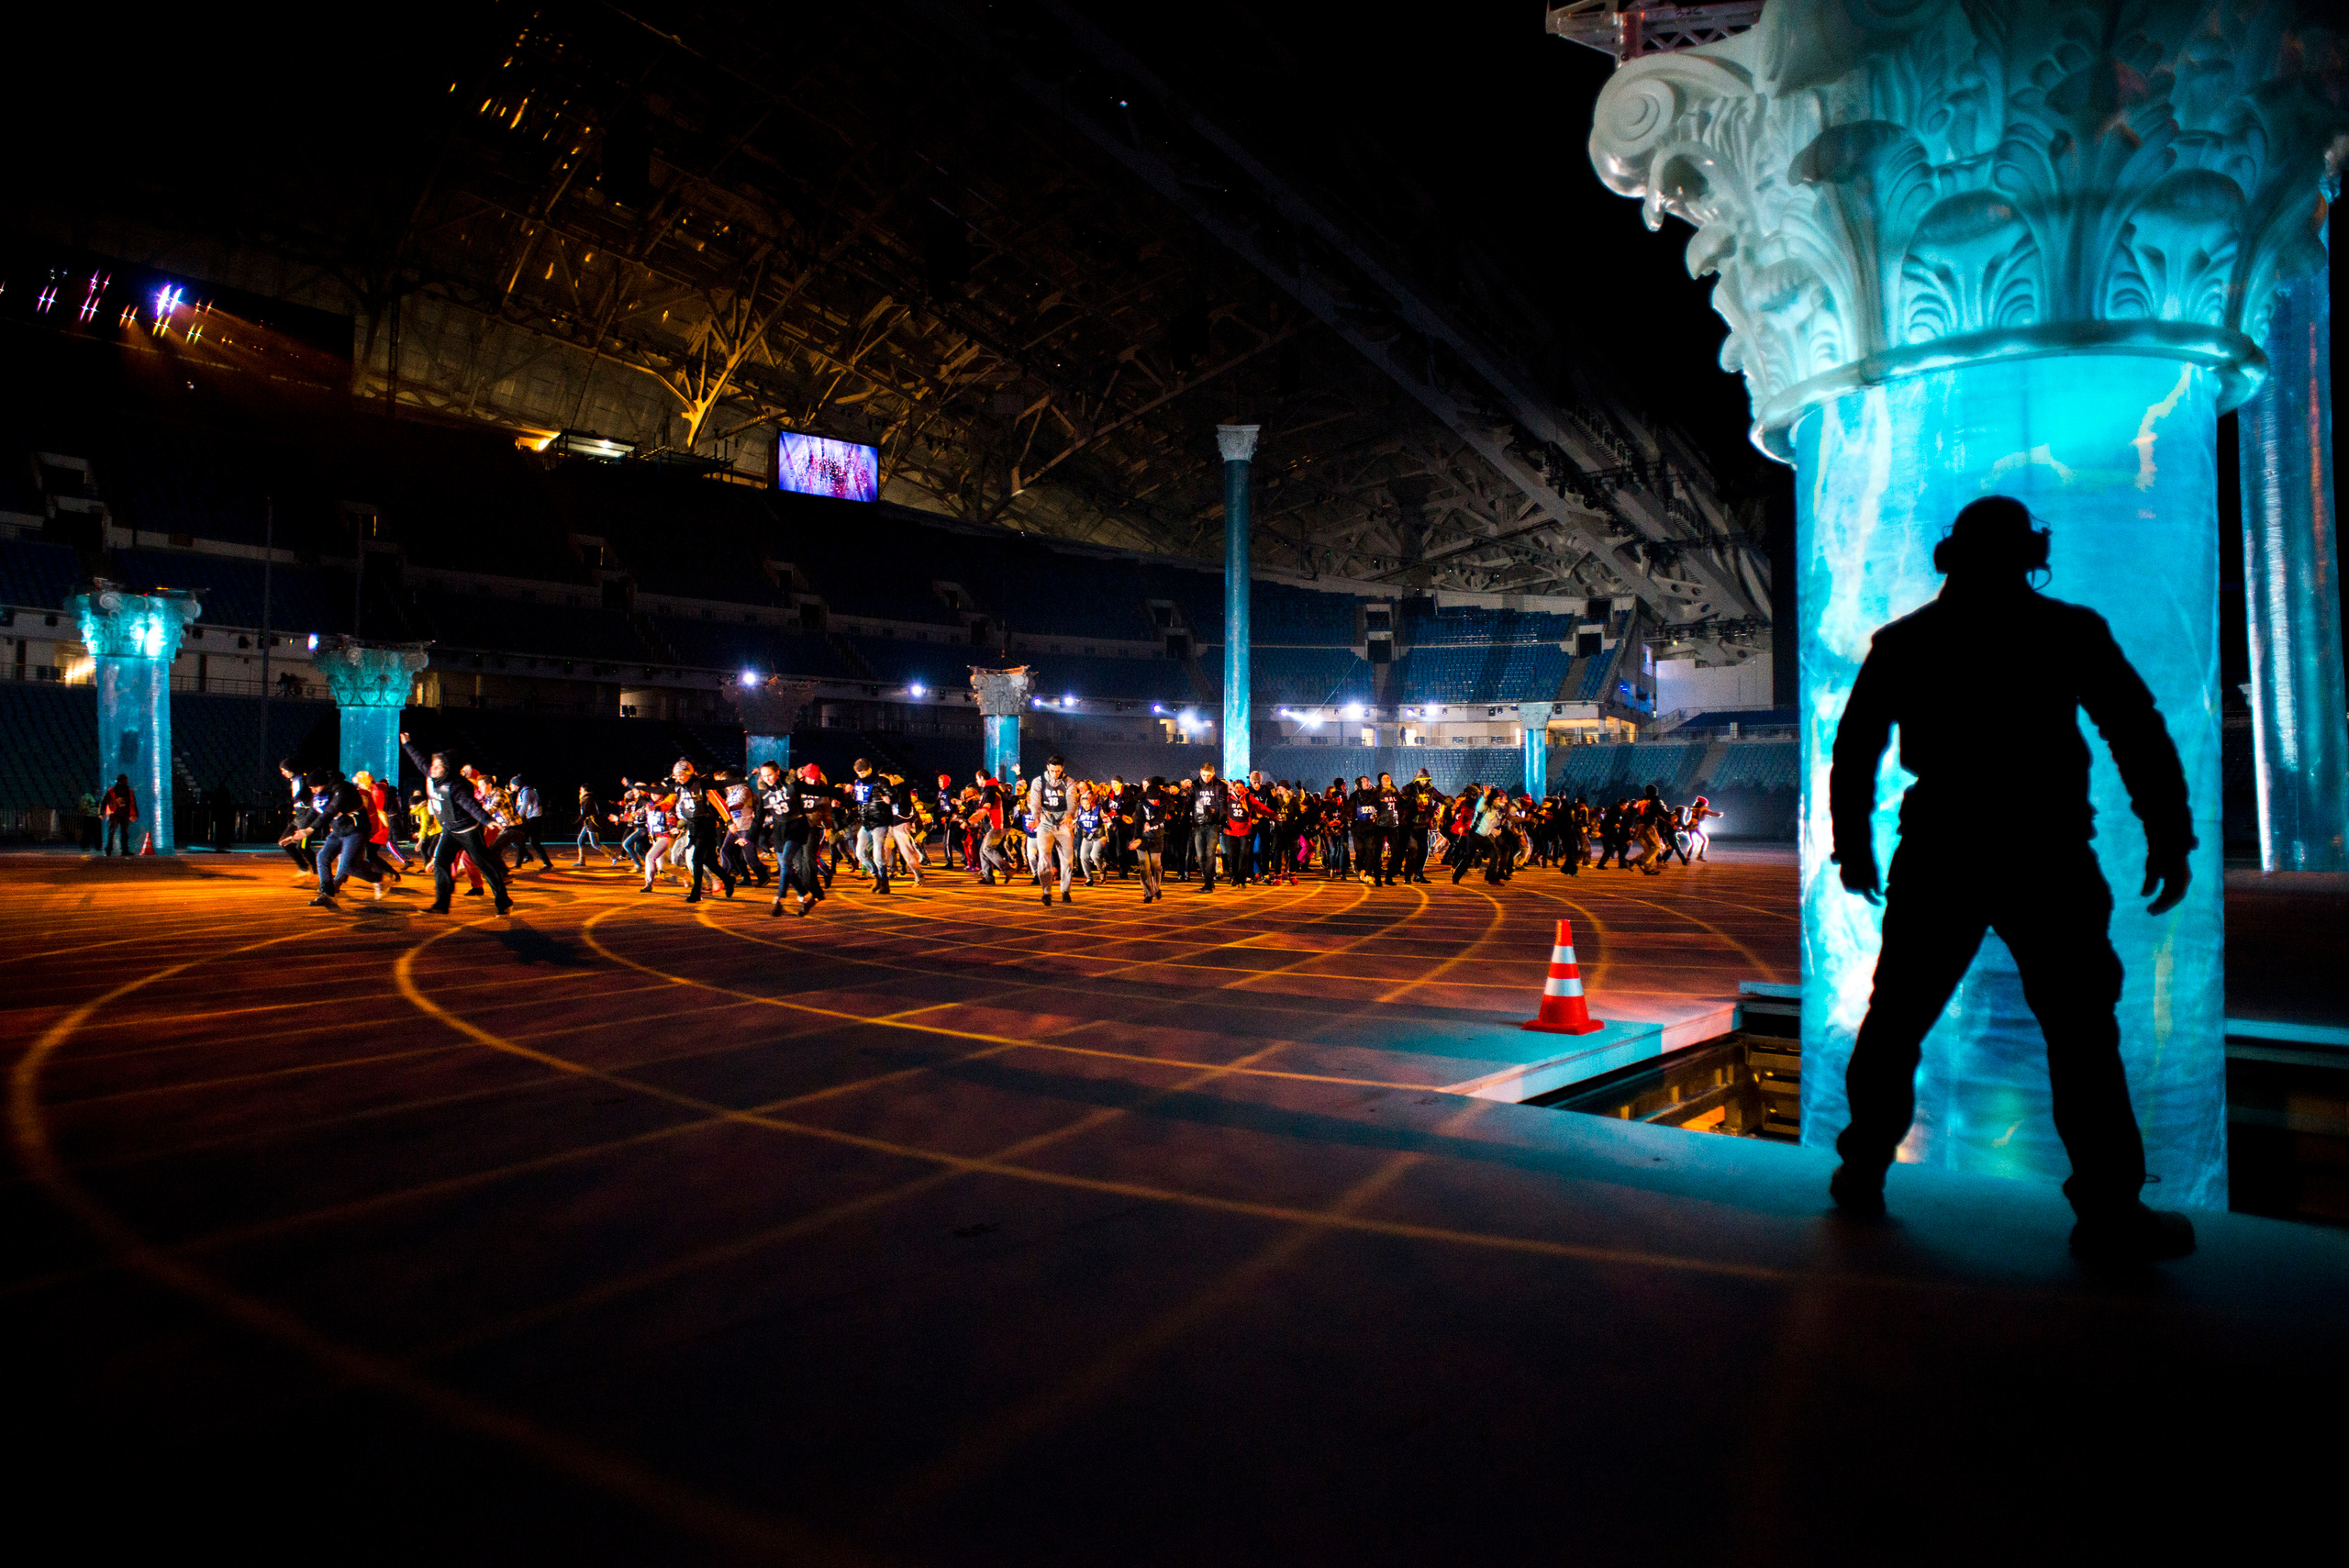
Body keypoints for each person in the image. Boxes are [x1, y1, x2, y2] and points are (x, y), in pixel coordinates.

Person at [1827, 496, 2196, 1262]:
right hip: (2046, 853)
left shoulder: (1904, 642)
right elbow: (2135, 728)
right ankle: (2109, 1210)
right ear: (2031, 553)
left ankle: (1862, 1167)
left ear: (1948, 557)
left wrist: (1854, 847)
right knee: (2082, 1035)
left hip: (1941, 852)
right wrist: (2169, 831)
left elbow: (1856, 749)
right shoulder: (2068, 632)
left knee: (1896, 1019)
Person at [399, 732, 512, 916]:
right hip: (449, 830)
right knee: (441, 862)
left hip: (468, 831)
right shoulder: (432, 775)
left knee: (484, 865)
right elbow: (420, 761)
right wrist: (408, 745)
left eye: (437, 766)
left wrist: (486, 820)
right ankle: (441, 905)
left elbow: (471, 805)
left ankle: (503, 901)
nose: (432, 768)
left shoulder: (458, 786)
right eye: (433, 765)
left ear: (448, 768)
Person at [1189, 762, 1230, 893]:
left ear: (1213, 774)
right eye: (1204, 775)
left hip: (1213, 824)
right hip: (1199, 824)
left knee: (1210, 853)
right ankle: (1208, 880)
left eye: (1208, 775)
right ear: (1200, 773)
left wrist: (1220, 816)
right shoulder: (1195, 785)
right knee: (1200, 855)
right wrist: (1187, 819)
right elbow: (1189, 803)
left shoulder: (1220, 786)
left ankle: (1208, 883)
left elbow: (1222, 802)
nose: (1206, 778)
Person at [509, 774, 553, 870]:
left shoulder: (527, 791)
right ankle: (546, 863)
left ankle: (520, 862)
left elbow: (524, 807)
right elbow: (518, 807)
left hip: (534, 818)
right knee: (533, 842)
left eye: (511, 785)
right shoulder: (522, 792)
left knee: (520, 839)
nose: (510, 786)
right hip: (532, 818)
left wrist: (516, 820)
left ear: (516, 785)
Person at [100, 773, 138, 855]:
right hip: (115, 814)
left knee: (122, 833)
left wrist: (134, 814)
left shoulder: (128, 791)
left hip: (123, 814)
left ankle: (121, 850)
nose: (126, 782)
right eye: (125, 780)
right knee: (114, 832)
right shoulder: (113, 791)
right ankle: (112, 850)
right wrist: (102, 812)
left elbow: (133, 803)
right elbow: (105, 801)